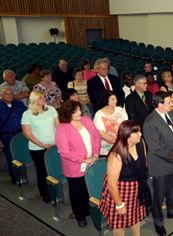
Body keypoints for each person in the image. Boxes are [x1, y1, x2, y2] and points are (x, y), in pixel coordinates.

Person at [143, 91, 173, 236]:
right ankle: (158, 222)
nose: (172, 103)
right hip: (161, 164)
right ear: (160, 104)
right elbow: (155, 148)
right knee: (159, 195)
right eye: (169, 102)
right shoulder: (150, 122)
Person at [55, 100, 100, 228]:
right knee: (77, 192)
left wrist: (95, 154)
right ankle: (80, 216)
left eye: (79, 109)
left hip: (92, 162)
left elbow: (96, 138)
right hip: (75, 167)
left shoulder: (86, 120)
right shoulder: (62, 129)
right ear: (68, 113)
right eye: (75, 111)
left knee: (88, 189)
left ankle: (88, 210)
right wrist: (85, 159)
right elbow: (65, 152)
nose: (79, 112)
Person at [99, 120, 148, 236]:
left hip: (137, 188)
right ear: (127, 136)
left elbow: (144, 164)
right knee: (120, 224)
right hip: (121, 191)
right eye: (136, 133)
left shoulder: (141, 143)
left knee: (136, 216)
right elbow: (111, 185)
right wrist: (119, 204)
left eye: (139, 131)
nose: (140, 134)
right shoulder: (116, 155)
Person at [21, 91, 59, 203]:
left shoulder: (51, 109)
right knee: (42, 171)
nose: (44, 98)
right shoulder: (27, 114)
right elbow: (27, 134)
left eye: (44, 96)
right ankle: (45, 193)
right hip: (38, 148)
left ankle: (57, 193)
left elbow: (58, 126)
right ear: (34, 100)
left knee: (55, 170)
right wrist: (42, 145)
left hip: (54, 145)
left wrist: (57, 141)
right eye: (41, 97)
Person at [0, 87, 27, 184]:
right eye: (7, 94)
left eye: (11, 93)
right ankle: (14, 176)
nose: (10, 95)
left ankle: (25, 176)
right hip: (7, 136)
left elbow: (26, 118)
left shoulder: (19, 103)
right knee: (11, 157)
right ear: (1, 96)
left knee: (23, 155)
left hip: (21, 134)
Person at [93, 91, 128, 157]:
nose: (115, 101)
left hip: (122, 144)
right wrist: (119, 141)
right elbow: (101, 134)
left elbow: (126, 126)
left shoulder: (120, 110)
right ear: (106, 100)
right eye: (112, 99)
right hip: (107, 148)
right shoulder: (99, 114)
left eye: (116, 98)